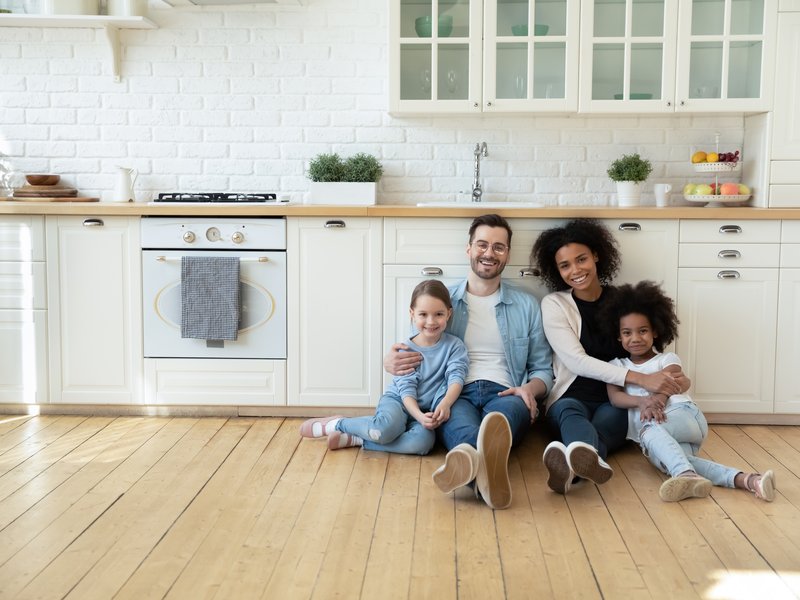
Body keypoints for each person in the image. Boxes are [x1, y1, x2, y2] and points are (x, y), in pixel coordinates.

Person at [384, 214, 554, 509]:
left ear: (508, 254)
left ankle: (469, 469)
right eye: (482, 245)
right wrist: (391, 361)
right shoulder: (441, 301)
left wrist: (530, 389)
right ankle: (488, 474)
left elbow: (542, 368)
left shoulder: (526, 305)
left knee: (498, 423)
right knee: (458, 427)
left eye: (499, 247)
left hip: (507, 392)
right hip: (454, 394)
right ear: (469, 249)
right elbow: (415, 349)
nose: (489, 253)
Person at [530, 218, 688, 495]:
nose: (575, 270)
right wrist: (644, 380)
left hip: (616, 397)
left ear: (597, 256)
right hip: (570, 395)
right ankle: (584, 460)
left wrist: (665, 378)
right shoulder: (555, 304)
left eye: (581, 259)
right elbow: (576, 361)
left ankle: (571, 469)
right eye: (565, 265)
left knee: (607, 423)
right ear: (556, 270)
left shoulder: (624, 300)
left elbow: (646, 345)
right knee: (570, 414)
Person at [602, 280, 776, 502]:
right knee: (673, 461)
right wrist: (641, 402)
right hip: (661, 435)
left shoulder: (667, 358)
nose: (635, 338)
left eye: (642, 331)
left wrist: (656, 401)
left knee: (650, 433)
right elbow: (615, 398)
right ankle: (750, 481)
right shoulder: (615, 366)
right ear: (618, 336)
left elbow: (674, 383)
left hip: (683, 416)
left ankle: (685, 476)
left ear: (655, 331)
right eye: (627, 332)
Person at [299, 279, 469, 456]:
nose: (431, 321)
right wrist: (418, 415)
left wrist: (445, 404)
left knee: (423, 443)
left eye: (439, 314)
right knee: (384, 429)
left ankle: (357, 439)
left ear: (449, 314)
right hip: (399, 402)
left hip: (426, 411)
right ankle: (339, 424)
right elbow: (406, 390)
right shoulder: (406, 349)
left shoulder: (455, 346)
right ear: (412, 313)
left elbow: (456, 377)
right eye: (423, 314)